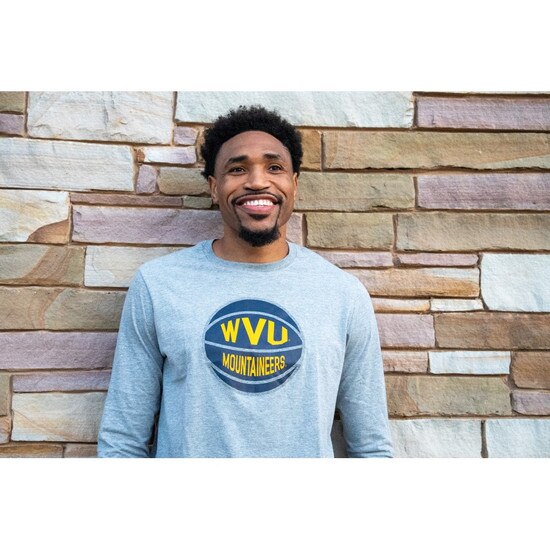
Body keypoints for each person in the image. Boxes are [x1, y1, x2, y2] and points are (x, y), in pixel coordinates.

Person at [97, 105, 393, 458]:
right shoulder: (158, 285)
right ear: (214, 187)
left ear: (294, 184)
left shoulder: (343, 294)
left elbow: (371, 447)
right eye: (237, 169)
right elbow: (123, 441)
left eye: (274, 167)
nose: (257, 181)